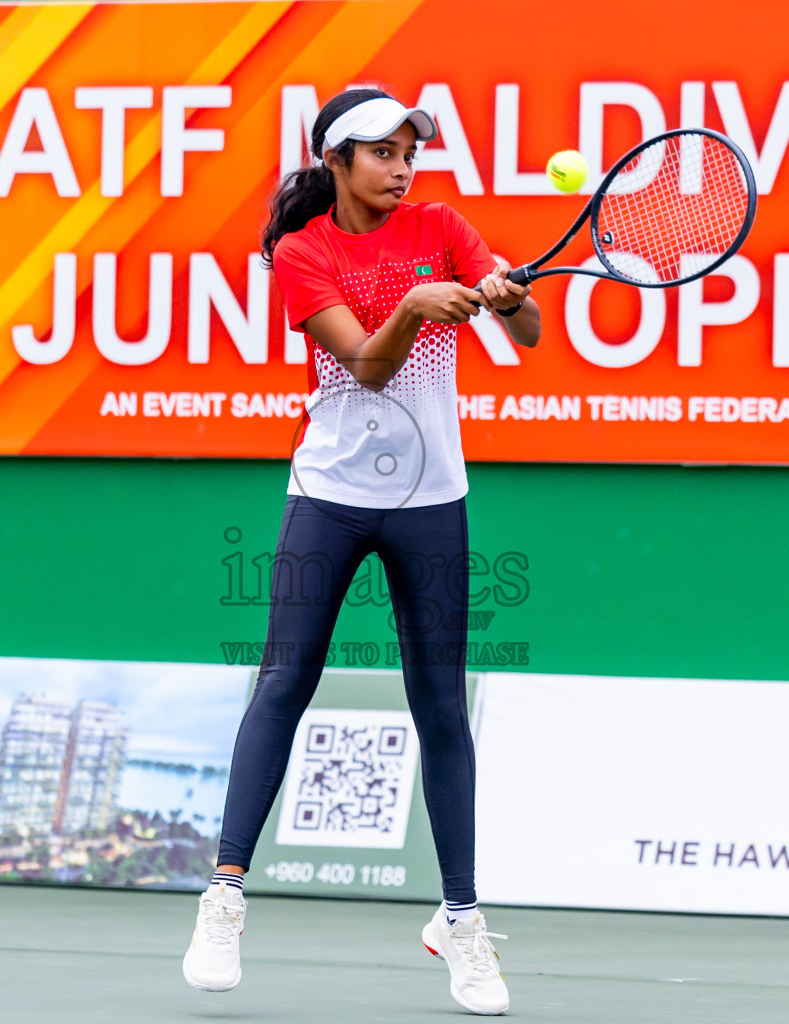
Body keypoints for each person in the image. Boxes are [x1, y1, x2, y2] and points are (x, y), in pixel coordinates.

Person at [181, 88, 540, 1016]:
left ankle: (460, 921)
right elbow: (367, 364)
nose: (402, 164)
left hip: (433, 501)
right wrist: (419, 305)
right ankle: (224, 896)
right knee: (283, 682)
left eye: (408, 149)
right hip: (331, 499)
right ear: (337, 161)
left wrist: (509, 297)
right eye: (380, 152)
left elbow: (529, 334)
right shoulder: (303, 253)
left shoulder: (444, 225)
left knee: (441, 707)